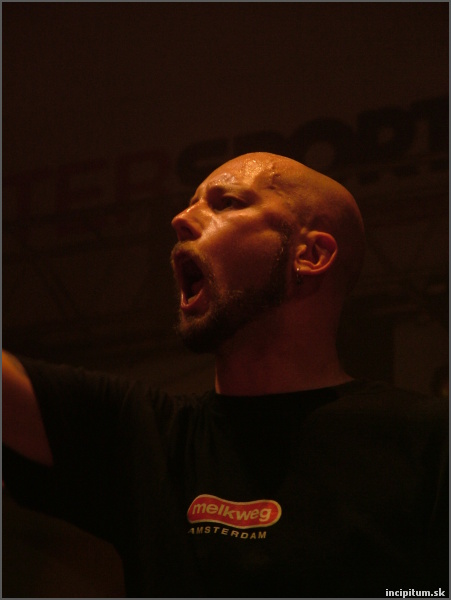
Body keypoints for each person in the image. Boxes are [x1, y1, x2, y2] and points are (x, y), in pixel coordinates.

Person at [3, 153, 448, 598]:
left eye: (226, 202)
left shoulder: (428, 440)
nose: (180, 219)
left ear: (310, 254)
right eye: (191, 203)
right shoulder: (150, 439)